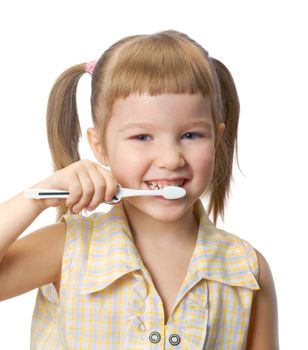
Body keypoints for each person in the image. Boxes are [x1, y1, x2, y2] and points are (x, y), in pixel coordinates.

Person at [0, 30, 279, 349]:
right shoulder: (70, 248)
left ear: (217, 138)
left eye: (191, 135)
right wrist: (38, 197)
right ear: (100, 146)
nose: (171, 159)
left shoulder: (247, 269)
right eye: (142, 137)